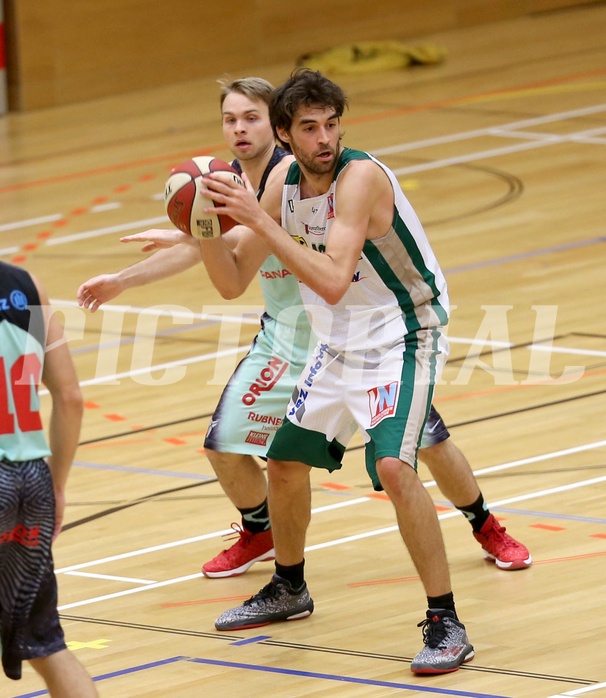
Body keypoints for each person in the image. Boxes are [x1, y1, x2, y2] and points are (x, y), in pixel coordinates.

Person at [78, 77, 531, 580]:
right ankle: (272, 553)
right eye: (231, 119)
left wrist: (224, 227)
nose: (240, 128)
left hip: (388, 332)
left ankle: (482, 527)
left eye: (330, 125)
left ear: (273, 127)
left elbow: (318, 270)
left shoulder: (338, 176)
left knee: (416, 450)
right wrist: (192, 231)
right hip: (310, 337)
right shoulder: (257, 183)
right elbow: (227, 265)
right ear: (286, 130)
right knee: (257, 454)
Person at [188, 67, 477, 675]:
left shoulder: (360, 178)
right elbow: (232, 280)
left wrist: (258, 220)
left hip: (404, 334)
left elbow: (332, 279)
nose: (325, 139)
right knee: (286, 463)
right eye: (311, 128)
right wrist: (204, 224)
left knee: (397, 467)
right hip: (337, 342)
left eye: (333, 124)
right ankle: (289, 587)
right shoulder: (284, 183)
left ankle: (446, 621)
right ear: (288, 137)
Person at [0, 261, 98, 696]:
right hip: (31, 478)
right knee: (46, 645)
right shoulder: (25, 283)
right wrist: (56, 485)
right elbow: (70, 397)